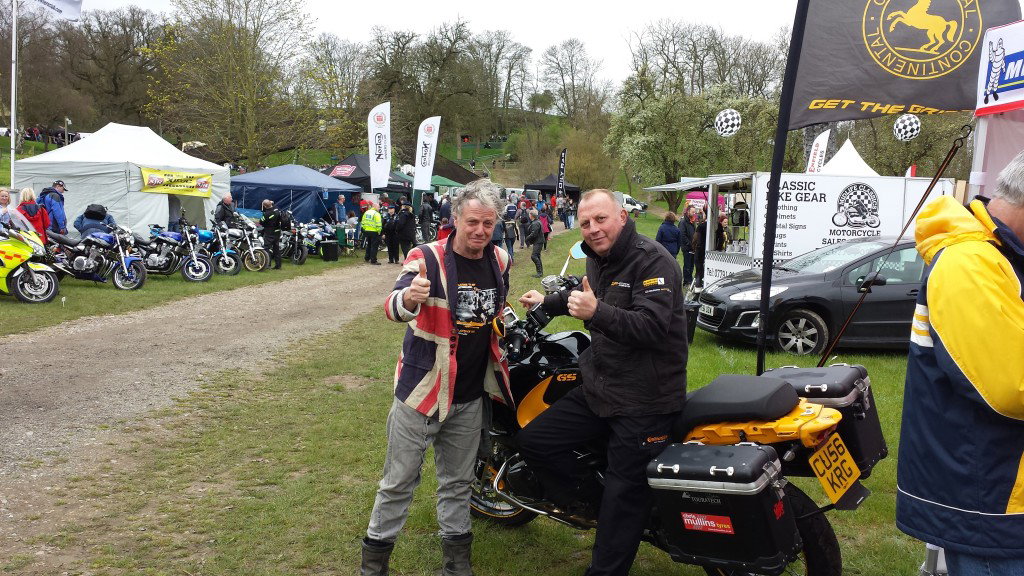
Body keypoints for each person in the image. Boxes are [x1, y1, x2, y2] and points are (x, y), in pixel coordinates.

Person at [517, 189, 687, 576]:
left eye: (601, 219)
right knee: (535, 441)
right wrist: (547, 302)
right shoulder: (598, 258)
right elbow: (587, 295)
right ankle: (590, 503)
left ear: (622, 216)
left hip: (646, 399)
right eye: (585, 223)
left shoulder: (652, 260)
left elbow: (652, 327)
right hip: (602, 387)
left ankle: (615, 519)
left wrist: (597, 313)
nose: (593, 229)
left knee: (622, 504)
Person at [361, 180, 512, 576]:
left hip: (469, 396)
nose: (480, 231)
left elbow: (492, 313)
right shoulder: (425, 257)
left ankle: (456, 567)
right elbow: (392, 307)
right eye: (472, 222)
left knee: (458, 485)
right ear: (455, 218)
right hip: (422, 393)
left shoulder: (500, 259)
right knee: (398, 483)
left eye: (488, 223)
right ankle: (373, 566)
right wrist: (410, 297)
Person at [896, 152, 1024, 573]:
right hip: (989, 498)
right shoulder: (970, 262)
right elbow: (1011, 385)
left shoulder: (1001, 256)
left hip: (998, 487)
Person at [259, 199, 283, 269]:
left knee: (266, 248)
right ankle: (278, 265)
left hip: (269, 232)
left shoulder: (267, 214)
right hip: (277, 231)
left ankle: (267, 264)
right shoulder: (276, 209)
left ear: (264, 206)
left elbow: (261, 222)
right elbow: (273, 207)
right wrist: (271, 203)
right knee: (276, 249)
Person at [678, 205, 697, 287]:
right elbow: (682, 235)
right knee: (687, 265)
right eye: (692, 212)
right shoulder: (683, 222)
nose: (694, 213)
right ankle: (686, 281)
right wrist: (690, 244)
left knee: (691, 265)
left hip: (693, 247)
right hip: (687, 247)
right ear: (688, 211)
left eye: (694, 212)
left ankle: (690, 279)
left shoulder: (692, 221)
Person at [692, 211, 708, 288]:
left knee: (699, 270)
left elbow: (695, 239)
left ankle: (698, 286)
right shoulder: (717, 225)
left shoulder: (701, 226)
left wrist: (694, 248)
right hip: (711, 250)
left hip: (700, 250)